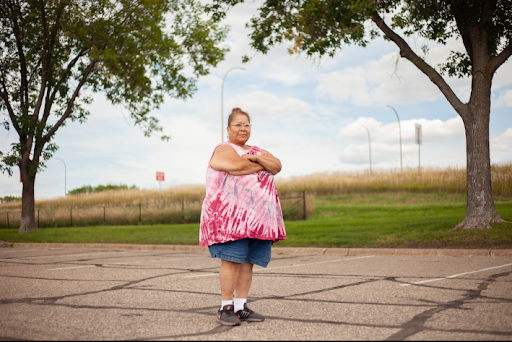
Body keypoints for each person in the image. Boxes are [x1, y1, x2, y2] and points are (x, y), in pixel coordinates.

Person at [200, 107, 286, 326]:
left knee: (248, 263)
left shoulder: (256, 149)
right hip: (231, 219)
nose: (242, 128)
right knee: (232, 262)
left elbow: (276, 166)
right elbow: (237, 166)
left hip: (258, 220)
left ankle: (240, 307)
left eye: (246, 124)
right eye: (237, 124)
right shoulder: (223, 148)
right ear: (228, 129)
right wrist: (261, 163)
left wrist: (255, 156)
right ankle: (225, 308)